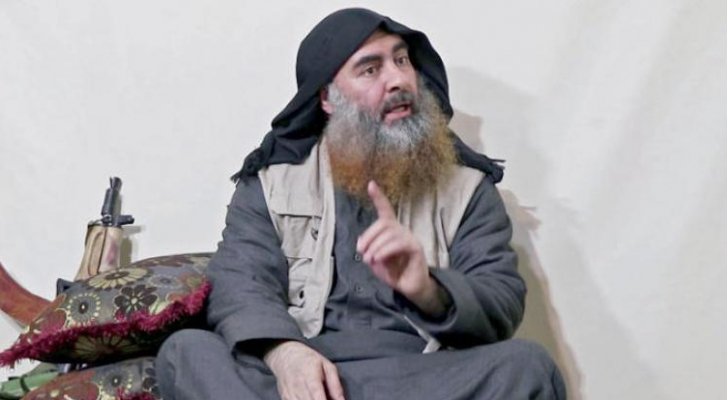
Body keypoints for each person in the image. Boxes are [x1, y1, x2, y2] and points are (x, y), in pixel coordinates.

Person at [156, 8, 566, 400]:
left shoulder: (466, 187)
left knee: (527, 366)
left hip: (424, 375)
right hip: (312, 372)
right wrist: (285, 355)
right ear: (328, 98)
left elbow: (500, 299)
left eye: (402, 60)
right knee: (186, 354)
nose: (398, 79)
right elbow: (241, 282)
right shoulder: (271, 183)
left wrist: (428, 288)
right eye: (371, 69)